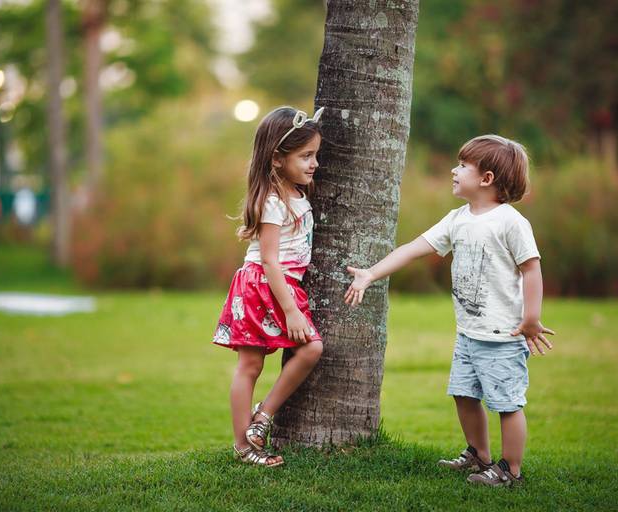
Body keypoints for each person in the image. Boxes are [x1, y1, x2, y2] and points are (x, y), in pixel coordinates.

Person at [344, 134, 555, 486]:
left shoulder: (510, 222)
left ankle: (510, 470)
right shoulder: (458, 219)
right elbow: (414, 248)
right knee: (463, 394)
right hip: (469, 333)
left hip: (503, 335)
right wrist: (371, 273)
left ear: (486, 179)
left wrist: (531, 317)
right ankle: (479, 455)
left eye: (463, 166)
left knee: (507, 403)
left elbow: (531, 268)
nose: (454, 171)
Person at [213, 106, 326, 467]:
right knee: (251, 365)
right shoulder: (274, 202)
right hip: (263, 284)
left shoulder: (297, 195)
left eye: (315, 155)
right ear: (277, 159)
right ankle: (243, 446)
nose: (314, 164)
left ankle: (263, 416)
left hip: (281, 284)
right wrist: (291, 309)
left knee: (310, 349)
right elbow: (270, 259)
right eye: (306, 156)